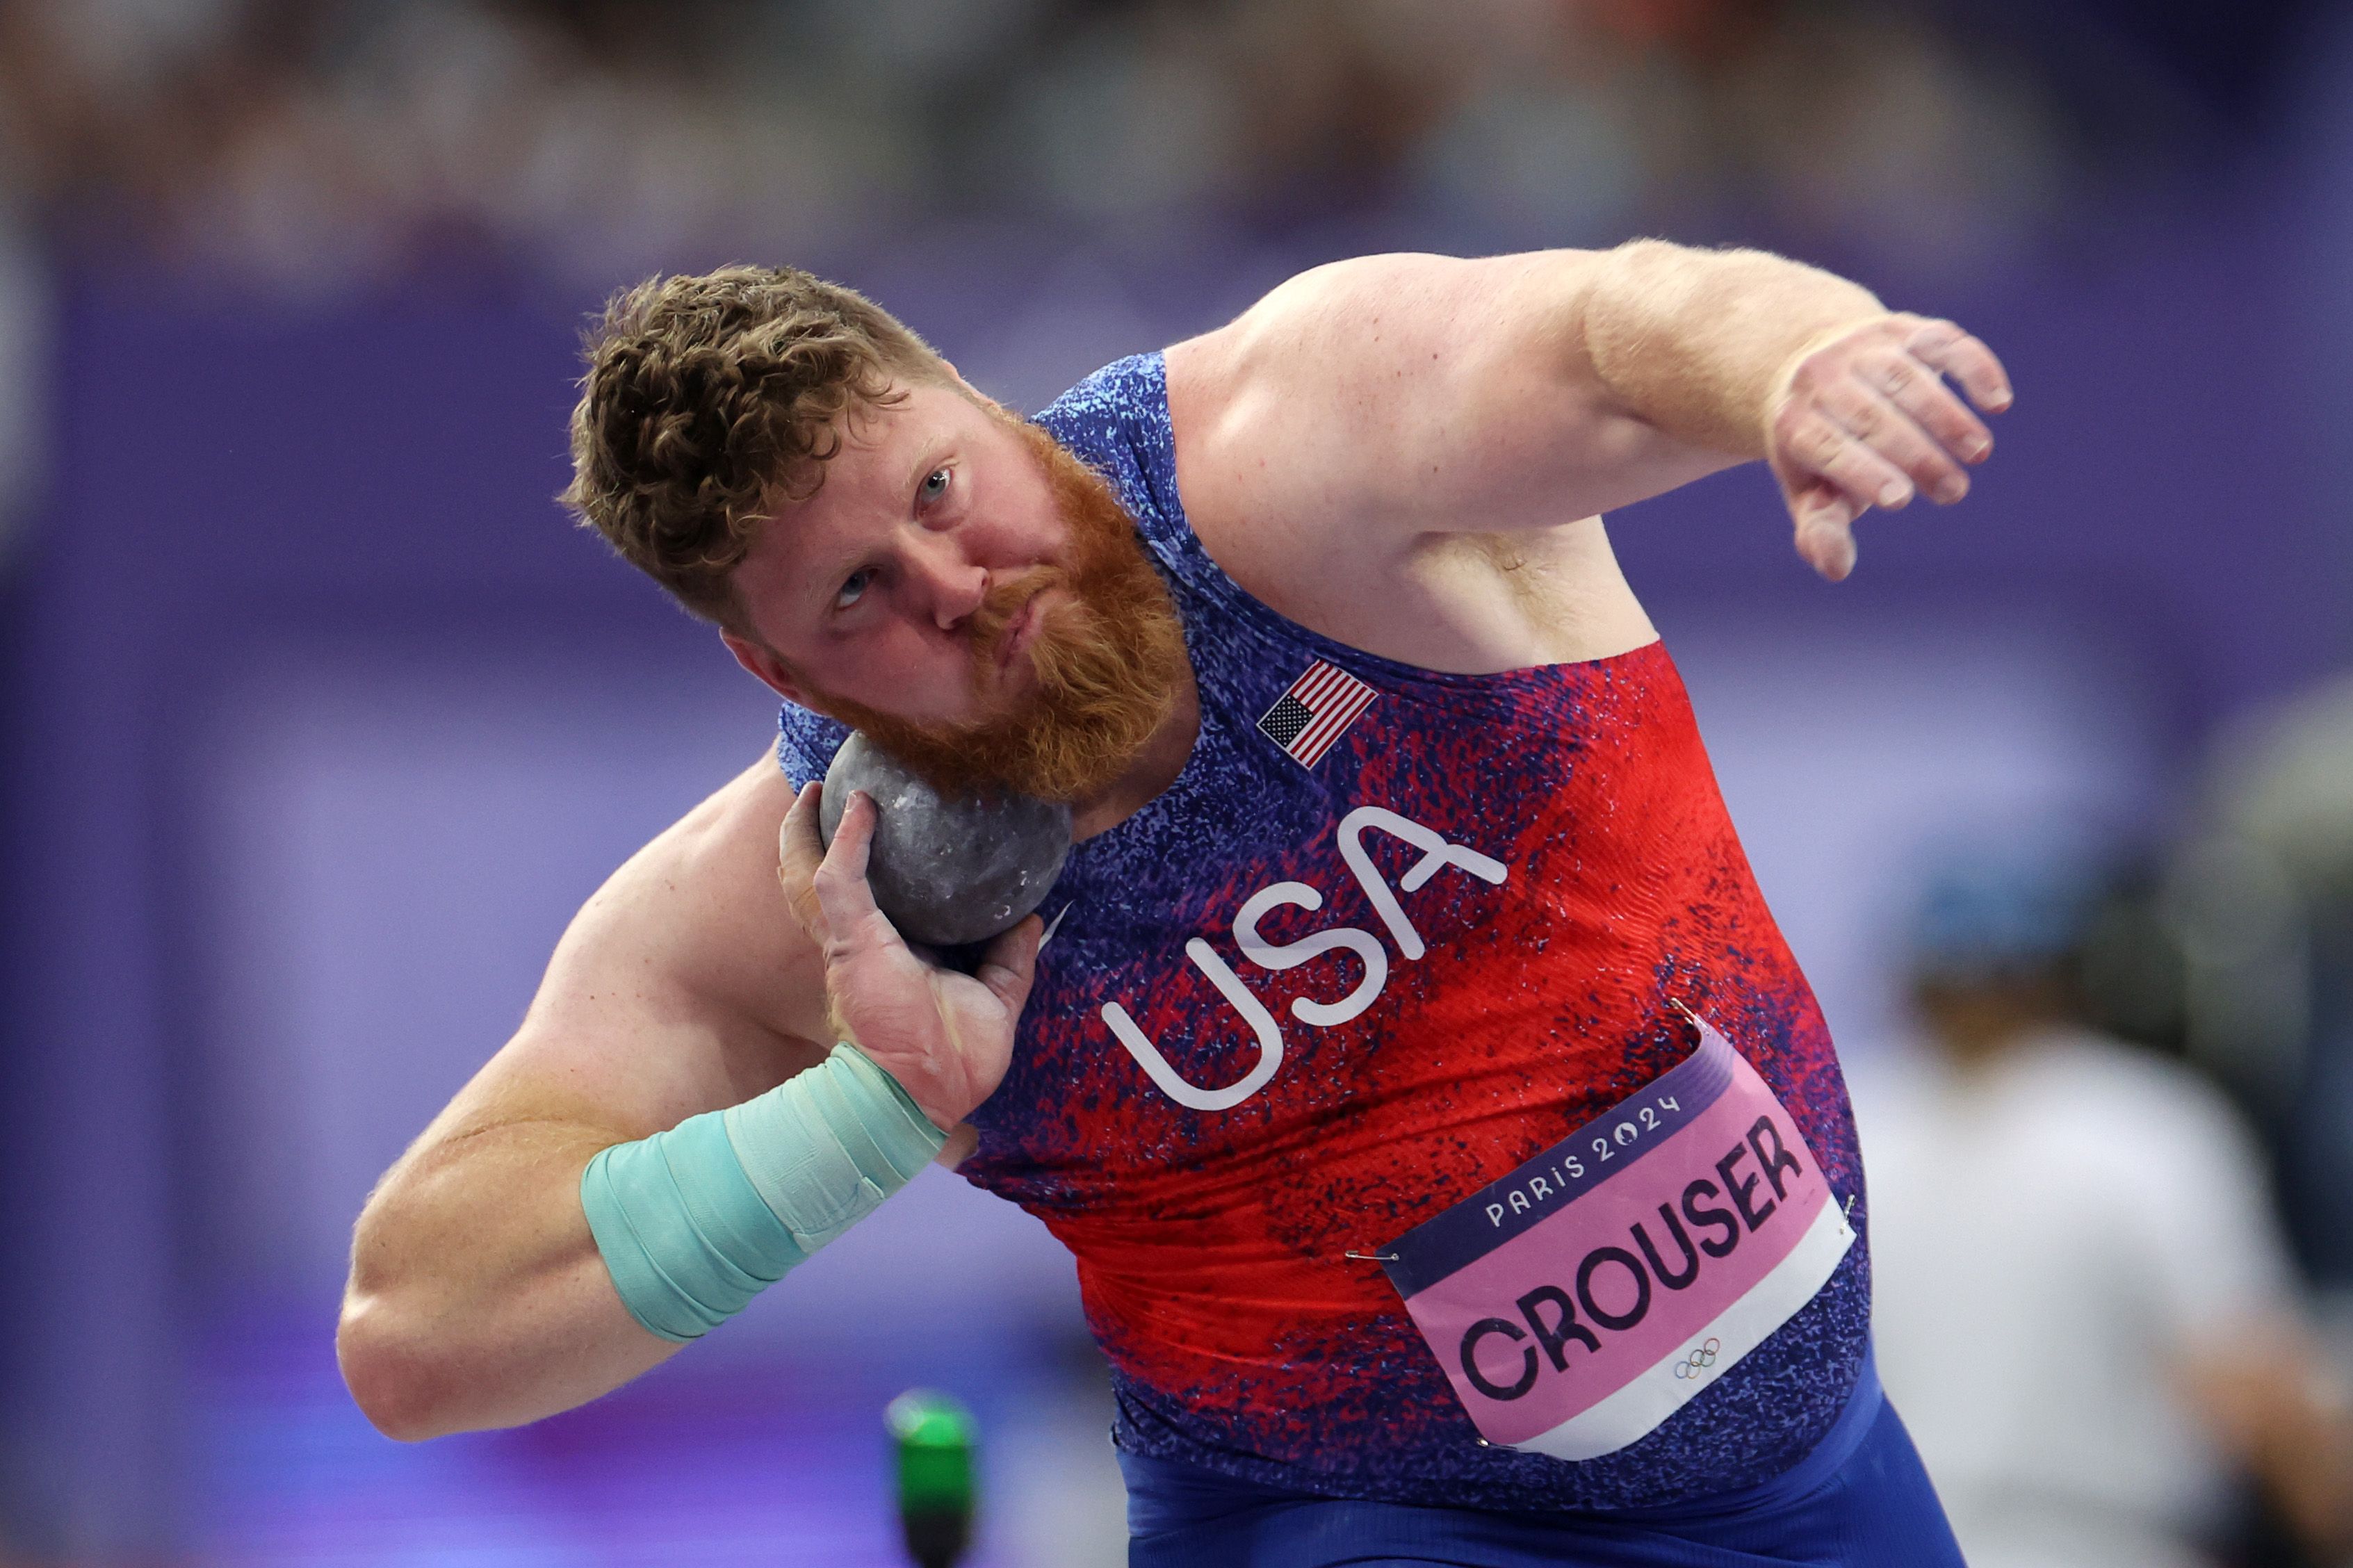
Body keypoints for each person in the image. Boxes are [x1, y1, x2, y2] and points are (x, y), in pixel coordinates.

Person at [337, 243, 2013, 1566]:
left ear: (979, 402)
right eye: (859, 594)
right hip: (1351, 1526)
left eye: (938, 491)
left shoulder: (1306, 454)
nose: (958, 588)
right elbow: (415, 1335)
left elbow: (1610, 324)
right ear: (779, 672)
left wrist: (1793, 362)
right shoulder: (808, 903)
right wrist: (871, 1111)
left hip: (1822, 1473)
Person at [1864, 857, 2353, 1568]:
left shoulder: (1839, 1126)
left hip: (1886, 1544)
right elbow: (2248, 1380)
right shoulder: (2140, 1125)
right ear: (2065, 975)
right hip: (2104, 1541)